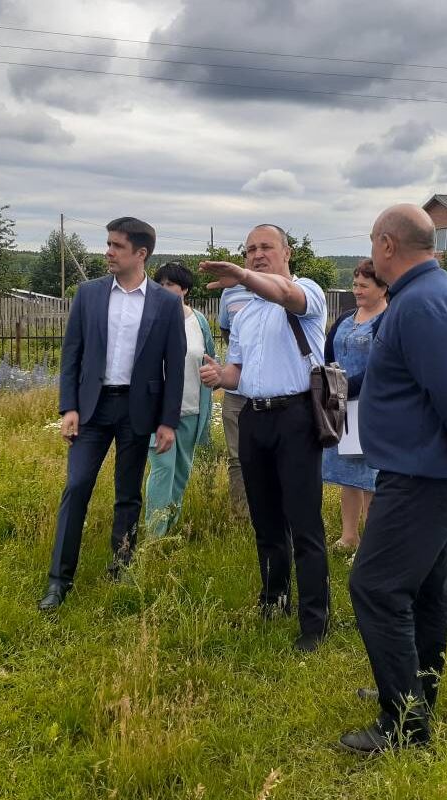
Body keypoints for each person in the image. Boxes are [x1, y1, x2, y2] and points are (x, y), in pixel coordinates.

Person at [339, 204, 447, 753]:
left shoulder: (420, 305)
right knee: (425, 589)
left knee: (376, 586)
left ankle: (404, 725)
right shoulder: (432, 295)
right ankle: (414, 693)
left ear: (388, 245)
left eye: (371, 241)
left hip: (423, 475)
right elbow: (444, 389)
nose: (370, 251)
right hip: (427, 468)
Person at [38, 217, 186, 612]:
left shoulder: (166, 302)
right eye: (107, 244)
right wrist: (68, 407)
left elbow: (173, 364)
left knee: (127, 494)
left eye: (117, 246)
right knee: (77, 486)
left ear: (141, 254)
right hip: (92, 408)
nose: (108, 252)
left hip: (139, 409)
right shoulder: (88, 294)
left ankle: (121, 567)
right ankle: (59, 580)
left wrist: (168, 420)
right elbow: (72, 355)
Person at [199, 224, 330, 652]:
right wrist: (220, 376)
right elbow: (237, 370)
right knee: (266, 522)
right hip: (254, 419)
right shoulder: (244, 309)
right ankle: (273, 601)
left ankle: (315, 623)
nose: (256, 255)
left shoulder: (306, 291)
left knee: (305, 525)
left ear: (287, 252)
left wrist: (241, 276)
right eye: (250, 249)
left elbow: (284, 295)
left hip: (295, 418)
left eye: (265, 247)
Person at [143, 261, 216, 540]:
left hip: (192, 409)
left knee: (181, 473)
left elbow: (209, 358)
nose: (163, 289)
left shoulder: (198, 321)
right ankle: (154, 536)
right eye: (159, 284)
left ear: (184, 289)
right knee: (162, 470)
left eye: (170, 285)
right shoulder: (150, 318)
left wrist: (213, 373)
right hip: (158, 414)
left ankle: (171, 528)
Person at [322, 259, 388, 551]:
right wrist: (331, 385)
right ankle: (349, 536)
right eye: (355, 284)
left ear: (383, 287)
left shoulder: (387, 320)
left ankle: (373, 543)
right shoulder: (347, 317)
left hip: (370, 407)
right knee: (348, 474)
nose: (357, 290)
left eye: (364, 285)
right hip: (341, 406)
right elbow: (328, 352)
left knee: (370, 476)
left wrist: (344, 388)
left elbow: (381, 366)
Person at [217, 284, 256, 516]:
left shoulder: (283, 288)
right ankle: (241, 514)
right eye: (249, 252)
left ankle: (267, 512)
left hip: (268, 394)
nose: (255, 257)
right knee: (237, 456)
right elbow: (226, 332)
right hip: (235, 392)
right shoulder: (229, 292)